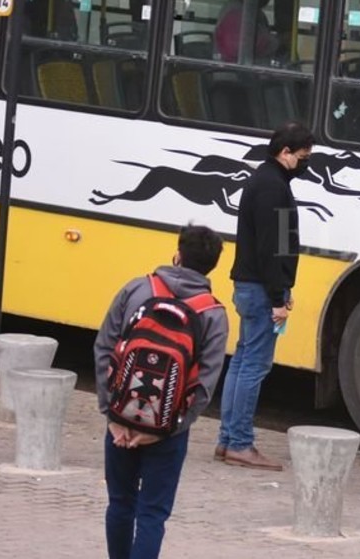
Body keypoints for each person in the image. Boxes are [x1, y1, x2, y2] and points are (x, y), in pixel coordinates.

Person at [94, 224, 229, 559]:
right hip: (168, 431)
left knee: (120, 504)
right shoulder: (213, 314)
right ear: (212, 267)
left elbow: (104, 348)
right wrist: (166, 430)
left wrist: (112, 415)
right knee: (152, 514)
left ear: (178, 254)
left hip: (120, 419)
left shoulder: (137, 289)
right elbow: (205, 385)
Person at [217, 121, 315, 471]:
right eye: (302, 157)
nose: (305, 164)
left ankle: (227, 440)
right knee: (254, 366)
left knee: (242, 362)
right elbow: (272, 249)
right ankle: (240, 443)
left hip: (249, 285)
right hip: (260, 289)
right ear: (284, 152)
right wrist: (279, 298)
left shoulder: (263, 179)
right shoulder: (273, 187)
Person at [214, 0, 278, 64]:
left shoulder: (252, 11)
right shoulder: (235, 12)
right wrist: (278, 42)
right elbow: (246, 45)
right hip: (232, 73)